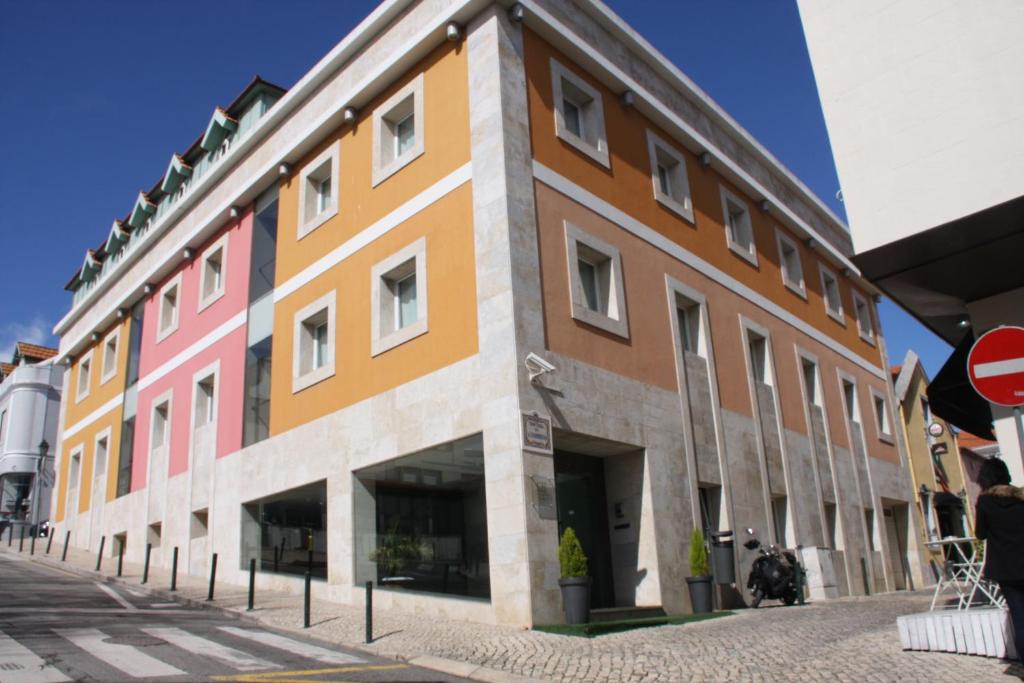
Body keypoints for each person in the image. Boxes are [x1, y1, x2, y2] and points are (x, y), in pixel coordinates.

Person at [974, 457, 1024, 661]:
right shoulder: (1021, 498)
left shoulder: (985, 501)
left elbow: (980, 534)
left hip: (1006, 568)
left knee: (1019, 615)